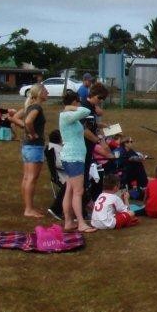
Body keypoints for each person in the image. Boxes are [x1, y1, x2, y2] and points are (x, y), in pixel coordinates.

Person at [59, 90, 97, 233]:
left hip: (74, 157)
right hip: (73, 158)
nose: (80, 103)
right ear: (74, 101)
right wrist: (70, 107)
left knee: (70, 190)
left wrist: (70, 107)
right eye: (78, 101)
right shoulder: (67, 115)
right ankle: (81, 223)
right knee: (78, 192)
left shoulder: (69, 116)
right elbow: (86, 110)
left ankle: (68, 221)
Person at [10, 84, 48, 217]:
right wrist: (32, 133)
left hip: (27, 147)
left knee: (27, 178)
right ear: (39, 93)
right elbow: (28, 121)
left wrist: (26, 130)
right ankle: (29, 209)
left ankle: (29, 207)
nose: (47, 93)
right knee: (31, 178)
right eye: (45, 91)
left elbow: (14, 118)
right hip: (34, 146)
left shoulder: (29, 106)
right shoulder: (36, 107)